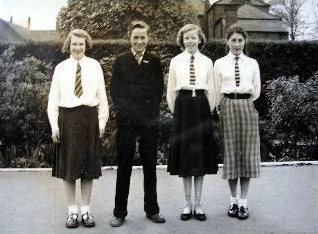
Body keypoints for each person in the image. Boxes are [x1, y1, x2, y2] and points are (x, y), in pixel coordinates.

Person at [47, 29, 109, 228]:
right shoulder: (61, 68)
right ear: (68, 45)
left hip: (89, 119)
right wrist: (54, 125)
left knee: (88, 169)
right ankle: (72, 212)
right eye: (74, 44)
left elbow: (102, 97)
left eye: (81, 44)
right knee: (70, 168)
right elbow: (53, 99)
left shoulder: (95, 66)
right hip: (68, 119)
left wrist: (101, 123)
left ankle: (86, 212)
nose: (78, 47)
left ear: (86, 45)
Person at [110, 20, 165, 227]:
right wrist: (129, 112)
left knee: (150, 166)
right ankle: (119, 212)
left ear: (147, 38)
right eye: (136, 38)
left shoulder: (155, 61)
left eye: (143, 37)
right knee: (124, 166)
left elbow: (158, 91)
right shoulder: (120, 60)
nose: (139, 41)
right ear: (130, 39)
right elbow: (115, 92)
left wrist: (147, 115)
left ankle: (152, 210)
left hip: (149, 122)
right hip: (126, 122)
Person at [166, 24, 218, 221]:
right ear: (182, 40)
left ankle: (199, 204)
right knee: (187, 157)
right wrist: (177, 111)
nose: (190, 41)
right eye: (186, 38)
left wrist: (208, 109)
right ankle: (187, 204)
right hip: (184, 107)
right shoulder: (175, 61)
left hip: (201, 108)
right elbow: (171, 90)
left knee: (200, 157)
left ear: (199, 39)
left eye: (193, 37)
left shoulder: (207, 61)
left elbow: (212, 89)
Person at [214, 25, 261, 220]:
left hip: (246, 106)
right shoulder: (219, 63)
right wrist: (221, 106)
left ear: (244, 42)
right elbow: (217, 89)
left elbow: (256, 89)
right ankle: (233, 201)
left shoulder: (252, 63)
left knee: (247, 155)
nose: (236, 44)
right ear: (227, 42)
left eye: (240, 40)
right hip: (227, 106)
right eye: (233, 40)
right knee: (231, 154)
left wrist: (246, 102)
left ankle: (244, 203)